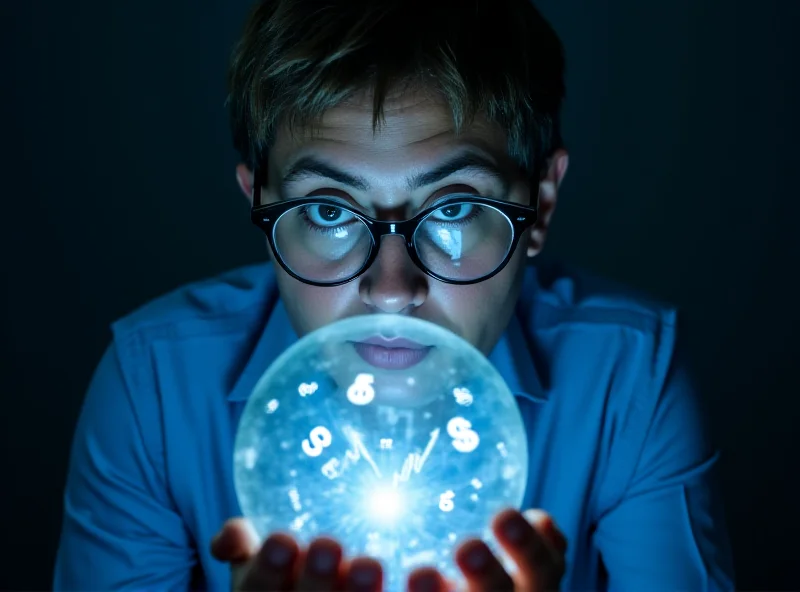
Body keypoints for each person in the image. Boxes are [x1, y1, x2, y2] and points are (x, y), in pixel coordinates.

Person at [53, 0, 736, 589]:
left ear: (540, 206)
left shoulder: (627, 383)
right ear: (259, 207)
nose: (389, 291)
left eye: (453, 209)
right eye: (327, 211)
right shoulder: (154, 388)